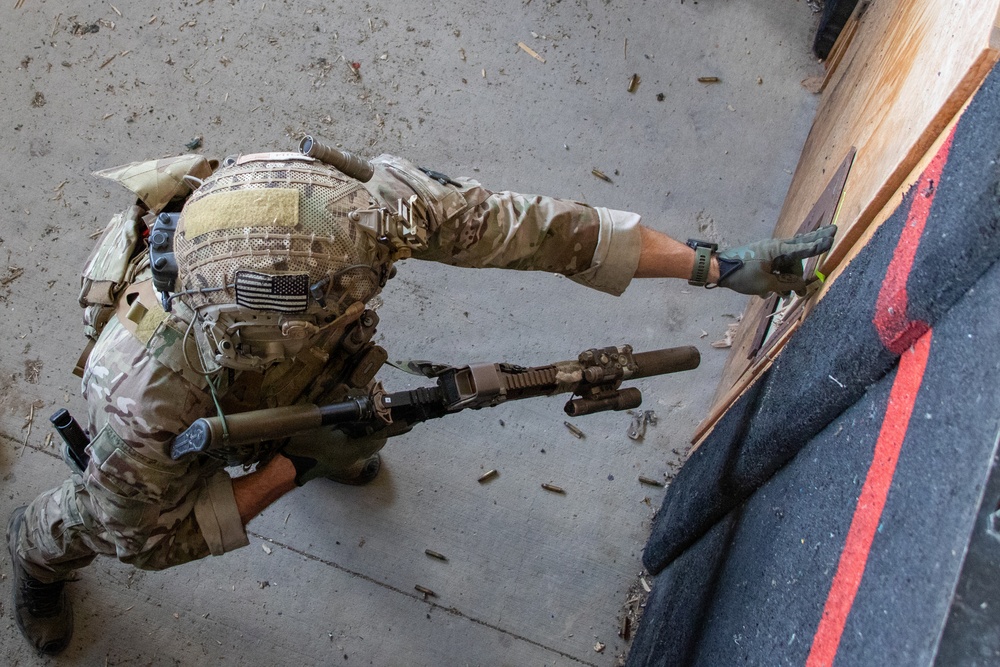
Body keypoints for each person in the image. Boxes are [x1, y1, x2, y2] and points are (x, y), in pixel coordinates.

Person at [7, 142, 835, 655]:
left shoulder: (367, 212)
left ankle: (325, 431)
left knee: (357, 415)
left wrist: (718, 265)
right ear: (252, 333)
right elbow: (152, 539)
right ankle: (33, 552)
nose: (366, 291)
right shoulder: (143, 397)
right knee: (103, 523)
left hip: (283, 371)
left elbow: (544, 231)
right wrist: (292, 466)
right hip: (197, 409)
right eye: (335, 305)